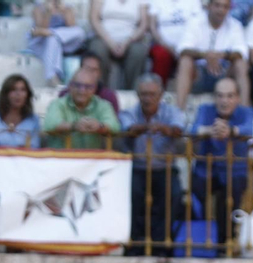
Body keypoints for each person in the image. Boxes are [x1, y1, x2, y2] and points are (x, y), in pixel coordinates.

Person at [121, 73, 184, 250]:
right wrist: (147, 127)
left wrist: (165, 129)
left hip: (164, 167)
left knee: (174, 195)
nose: (147, 99)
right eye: (144, 94)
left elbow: (178, 129)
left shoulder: (171, 111)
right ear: (138, 95)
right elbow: (128, 129)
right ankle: (134, 243)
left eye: (152, 94)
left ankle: (160, 244)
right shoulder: (130, 112)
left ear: (161, 95)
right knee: (131, 196)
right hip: (137, 168)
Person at [175, 0, 248, 103]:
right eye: (217, 5)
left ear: (229, 9)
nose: (221, 10)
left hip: (224, 73)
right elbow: (182, 50)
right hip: (198, 74)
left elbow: (241, 52)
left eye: (225, 7)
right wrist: (205, 55)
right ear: (209, 6)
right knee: (185, 61)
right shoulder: (195, 22)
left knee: (241, 64)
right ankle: (179, 112)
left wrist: (221, 55)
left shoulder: (235, 25)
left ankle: (244, 110)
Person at [43, 65, 120, 150]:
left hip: (93, 161)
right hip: (61, 160)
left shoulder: (103, 105)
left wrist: (99, 126)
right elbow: (49, 125)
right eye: (78, 85)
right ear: (70, 86)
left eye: (87, 87)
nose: (82, 91)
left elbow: (115, 127)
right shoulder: (57, 104)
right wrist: (73, 126)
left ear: (94, 88)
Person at [87, 0, 151, 92]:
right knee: (97, 49)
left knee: (139, 52)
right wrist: (110, 42)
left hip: (131, 39)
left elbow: (144, 25)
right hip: (103, 37)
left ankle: (132, 94)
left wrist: (126, 42)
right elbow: (94, 19)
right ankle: (100, 92)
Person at [22, 0, 86, 89]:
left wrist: (64, 12)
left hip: (62, 43)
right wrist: (48, 13)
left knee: (79, 32)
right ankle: (51, 77)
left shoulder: (67, 7)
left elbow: (72, 27)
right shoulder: (38, 8)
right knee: (52, 39)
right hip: (42, 43)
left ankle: (53, 33)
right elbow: (41, 28)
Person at [0, 73, 38, 149]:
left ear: (27, 95)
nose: (18, 94)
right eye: (13, 90)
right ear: (5, 94)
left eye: (23, 90)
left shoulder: (33, 120)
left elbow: (34, 149)